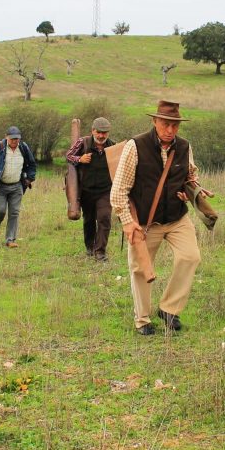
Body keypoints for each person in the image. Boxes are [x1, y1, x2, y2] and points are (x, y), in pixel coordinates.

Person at [110, 101, 201, 335]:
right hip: (144, 222)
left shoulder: (184, 146)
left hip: (177, 218)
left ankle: (169, 309)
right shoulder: (136, 146)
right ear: (155, 121)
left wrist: (189, 190)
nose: (170, 130)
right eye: (165, 124)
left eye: (175, 125)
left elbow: (191, 175)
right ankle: (142, 320)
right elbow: (119, 189)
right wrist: (128, 222)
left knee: (190, 257)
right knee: (141, 268)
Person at [0, 126, 37, 248]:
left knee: (14, 213)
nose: (15, 141)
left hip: (17, 186)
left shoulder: (23, 148)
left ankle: (10, 240)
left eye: (17, 139)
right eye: (13, 138)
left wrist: (30, 178)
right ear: (6, 137)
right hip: (0, 186)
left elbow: (32, 164)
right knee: (0, 210)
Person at [65, 117, 115, 261]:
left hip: (105, 191)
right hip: (86, 190)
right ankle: (89, 247)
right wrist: (80, 159)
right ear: (93, 130)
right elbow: (68, 156)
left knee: (104, 218)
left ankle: (100, 252)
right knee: (89, 220)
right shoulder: (83, 142)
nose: (101, 136)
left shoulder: (113, 146)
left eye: (104, 133)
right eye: (98, 132)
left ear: (108, 133)